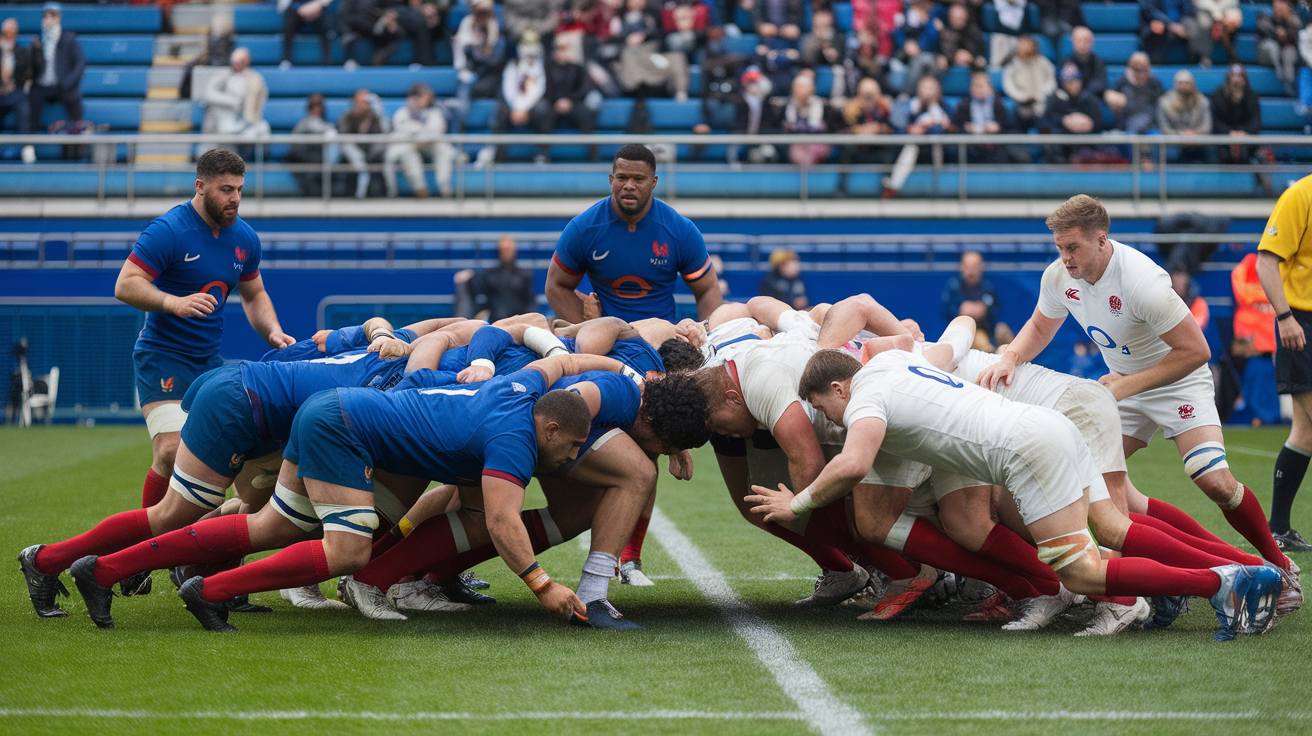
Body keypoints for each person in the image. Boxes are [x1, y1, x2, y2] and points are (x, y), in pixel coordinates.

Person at [755, 348, 1284, 642]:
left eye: (822, 406)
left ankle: (1224, 582)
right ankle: (1238, 574)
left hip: (1027, 450)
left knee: (1082, 571)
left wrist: (796, 505)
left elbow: (854, 462)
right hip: (1048, 428)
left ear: (840, 388)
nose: (828, 417)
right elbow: (943, 348)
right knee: (1114, 533)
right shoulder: (894, 363)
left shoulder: (866, 396)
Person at [976, 194, 1295, 575]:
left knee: (1214, 481)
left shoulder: (1142, 282)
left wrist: (1128, 386)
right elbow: (1041, 326)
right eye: (1060, 247)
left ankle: (1280, 566)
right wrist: (1010, 356)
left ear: (1101, 239)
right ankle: (1213, 569)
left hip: (1176, 380)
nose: (1065, 257)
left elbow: (1196, 352)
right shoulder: (1060, 276)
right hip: (1121, 385)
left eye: (1073, 247)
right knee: (1094, 484)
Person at [39, 150, 289, 603]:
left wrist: (272, 331)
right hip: (162, 359)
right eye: (225, 189)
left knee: (240, 472)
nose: (234, 198)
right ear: (201, 186)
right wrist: (175, 302)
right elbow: (126, 283)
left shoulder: (244, 238)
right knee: (172, 452)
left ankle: (197, 566)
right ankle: (139, 555)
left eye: (239, 189)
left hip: (208, 365)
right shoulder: (169, 230)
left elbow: (254, 293)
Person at [545, 144, 722, 323]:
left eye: (638, 179)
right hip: (606, 342)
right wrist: (585, 329)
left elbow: (707, 288)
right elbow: (556, 286)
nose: (629, 186)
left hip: (661, 342)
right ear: (611, 180)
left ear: (653, 183)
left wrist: (708, 336)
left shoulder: (680, 230)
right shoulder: (583, 228)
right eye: (622, 178)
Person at [1256, 174, 1312, 552]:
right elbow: (1266, 262)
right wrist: (1284, 316)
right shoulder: (1301, 194)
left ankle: (1277, 529)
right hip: (1303, 323)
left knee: (1305, 433)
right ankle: (1276, 529)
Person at [481, 29, 550, 165]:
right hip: (513, 107)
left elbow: (540, 89)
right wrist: (516, 108)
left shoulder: (544, 66)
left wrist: (524, 108)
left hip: (532, 107)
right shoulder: (512, 65)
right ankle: (499, 154)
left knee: (545, 110)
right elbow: (508, 89)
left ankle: (542, 153)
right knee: (499, 110)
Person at [384, 81, 453, 198]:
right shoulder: (402, 113)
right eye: (425, 96)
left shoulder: (435, 113)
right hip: (411, 145)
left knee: (444, 149)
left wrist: (419, 134)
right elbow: (403, 132)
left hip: (430, 145)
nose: (429, 98)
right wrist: (421, 132)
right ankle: (420, 188)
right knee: (405, 151)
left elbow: (436, 132)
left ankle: (445, 187)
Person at [200, 48, 270, 155]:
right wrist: (231, 102)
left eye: (241, 61)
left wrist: (250, 117)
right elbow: (208, 94)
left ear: (247, 61)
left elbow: (259, 103)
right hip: (223, 121)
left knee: (262, 131)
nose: (238, 65)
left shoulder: (255, 79)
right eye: (235, 62)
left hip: (245, 121)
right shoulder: (224, 75)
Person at [26, 2, 82, 136]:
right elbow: (32, 67)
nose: (48, 19)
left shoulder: (69, 38)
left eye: (52, 15)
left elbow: (80, 63)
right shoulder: (38, 40)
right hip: (41, 86)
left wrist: (68, 83)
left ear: (58, 17)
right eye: (46, 15)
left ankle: (74, 148)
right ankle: (29, 144)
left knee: (75, 100)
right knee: (30, 101)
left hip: (61, 85)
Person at [545, 33, 601, 162]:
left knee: (585, 114)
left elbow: (585, 87)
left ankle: (593, 152)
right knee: (544, 114)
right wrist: (557, 101)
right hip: (554, 103)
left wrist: (570, 100)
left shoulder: (578, 67)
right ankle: (544, 152)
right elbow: (545, 88)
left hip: (574, 102)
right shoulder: (548, 67)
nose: (563, 52)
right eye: (560, 48)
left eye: (566, 48)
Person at [462, 237, 538, 322]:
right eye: (503, 250)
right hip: (495, 321)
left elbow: (530, 301)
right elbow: (478, 293)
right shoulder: (489, 275)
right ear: (499, 251)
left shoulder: (524, 275)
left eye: (508, 249)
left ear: (514, 251)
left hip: (518, 321)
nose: (506, 253)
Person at [950, 71, 1016, 163]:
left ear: (989, 88)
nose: (977, 89)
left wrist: (997, 127)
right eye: (974, 86)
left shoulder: (999, 104)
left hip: (994, 144)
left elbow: (1008, 125)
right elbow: (955, 126)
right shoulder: (963, 105)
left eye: (981, 86)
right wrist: (966, 128)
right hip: (970, 145)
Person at [0, 17, 40, 163]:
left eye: (13, 32)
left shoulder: (21, 51)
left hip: (15, 91)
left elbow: (31, 72)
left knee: (23, 107)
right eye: (7, 32)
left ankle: (27, 147)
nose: (10, 34)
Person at [780, 73, 840, 166]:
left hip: (819, 147)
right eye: (799, 88)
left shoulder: (824, 108)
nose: (802, 92)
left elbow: (833, 129)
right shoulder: (785, 108)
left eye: (805, 88)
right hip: (794, 147)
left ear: (812, 90)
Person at [452, 0, 506, 105]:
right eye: (478, 11)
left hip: (490, 73)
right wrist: (475, 43)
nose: (481, 15)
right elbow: (462, 47)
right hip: (470, 70)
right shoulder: (468, 22)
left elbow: (495, 57)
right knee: (465, 82)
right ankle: (462, 119)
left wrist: (489, 38)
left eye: (484, 12)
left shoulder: (496, 25)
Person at [337, 88, 386, 199]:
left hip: (372, 155)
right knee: (348, 149)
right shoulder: (347, 116)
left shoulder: (374, 116)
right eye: (362, 102)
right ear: (355, 103)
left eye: (367, 103)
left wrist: (380, 113)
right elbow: (344, 136)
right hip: (351, 157)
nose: (365, 105)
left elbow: (385, 132)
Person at [941, 250, 1002, 338]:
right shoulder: (953, 287)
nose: (971, 271)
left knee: (1001, 330)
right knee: (979, 339)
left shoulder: (988, 287)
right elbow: (945, 310)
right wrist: (960, 310)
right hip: (960, 331)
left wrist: (985, 309)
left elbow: (996, 307)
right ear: (961, 267)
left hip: (986, 330)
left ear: (981, 266)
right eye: (968, 266)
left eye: (974, 266)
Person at [1157, 69, 1212, 163]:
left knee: (1211, 150)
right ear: (1175, 84)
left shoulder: (1203, 101)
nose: (1183, 87)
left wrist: (1193, 134)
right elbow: (1164, 129)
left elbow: (1207, 127)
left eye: (1187, 83)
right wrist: (1181, 135)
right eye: (1180, 83)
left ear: (1192, 84)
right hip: (1174, 143)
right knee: (1171, 152)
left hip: (1198, 142)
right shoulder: (1164, 102)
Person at [1209, 64, 1260, 165]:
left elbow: (1255, 123)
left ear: (1244, 79)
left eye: (1240, 76)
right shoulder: (1217, 95)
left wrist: (1242, 133)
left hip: (1246, 139)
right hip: (1222, 139)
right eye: (1233, 76)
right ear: (1228, 78)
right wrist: (1229, 133)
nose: (1236, 80)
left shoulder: (1252, 97)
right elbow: (1214, 122)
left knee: (1259, 152)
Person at [286, 93, 335, 197]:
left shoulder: (326, 125)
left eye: (320, 106)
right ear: (309, 108)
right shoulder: (303, 125)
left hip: (319, 164)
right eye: (314, 106)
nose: (317, 109)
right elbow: (293, 152)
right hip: (302, 163)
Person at [1003, 35, 1055, 126]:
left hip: (1042, 102)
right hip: (1021, 103)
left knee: (1046, 126)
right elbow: (1009, 86)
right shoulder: (1012, 65)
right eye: (1022, 45)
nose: (1025, 48)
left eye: (1028, 45)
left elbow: (1051, 81)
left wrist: (1042, 95)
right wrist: (1022, 97)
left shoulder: (1043, 63)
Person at [1104, 52, 1163, 134]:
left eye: (1144, 70)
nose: (1141, 74)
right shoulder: (1122, 83)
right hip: (1127, 127)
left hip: (1151, 125)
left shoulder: (1155, 84)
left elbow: (1158, 109)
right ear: (1130, 69)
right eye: (1137, 70)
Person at [1258, 0, 1303, 97]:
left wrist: (1289, 22)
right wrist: (1278, 34)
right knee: (1272, 46)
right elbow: (1265, 29)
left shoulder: (1292, 19)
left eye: (1283, 3)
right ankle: (1280, 74)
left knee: (1290, 51)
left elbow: (1296, 37)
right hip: (1267, 56)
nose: (1279, 6)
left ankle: (1289, 81)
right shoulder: (1264, 14)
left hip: (1285, 56)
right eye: (1277, 2)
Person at [1139, 0, 1199, 64]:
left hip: (1181, 24)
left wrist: (1181, 25)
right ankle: (1155, 64)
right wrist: (1170, 24)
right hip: (1157, 23)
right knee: (1157, 28)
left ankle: (1197, 62)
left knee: (1194, 26)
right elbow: (1150, 11)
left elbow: (1189, 10)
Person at [278, 0, 334, 68]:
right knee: (289, 18)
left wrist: (317, 5)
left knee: (326, 21)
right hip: (296, 9)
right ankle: (286, 60)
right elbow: (283, 5)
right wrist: (299, 8)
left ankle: (327, 63)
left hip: (317, 7)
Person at [936, 2, 985, 73]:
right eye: (954, 18)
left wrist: (971, 59)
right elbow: (940, 51)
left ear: (966, 17)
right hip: (948, 66)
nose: (957, 21)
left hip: (972, 69)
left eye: (960, 18)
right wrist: (951, 57)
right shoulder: (944, 32)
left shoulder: (974, 33)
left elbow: (981, 57)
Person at [1060, 26, 1107, 101]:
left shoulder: (1098, 61)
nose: (1082, 44)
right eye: (1079, 40)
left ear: (1092, 43)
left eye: (1086, 41)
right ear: (1073, 42)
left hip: (1090, 98)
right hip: (1068, 99)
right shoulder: (1066, 62)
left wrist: (1082, 92)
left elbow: (1101, 84)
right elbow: (1061, 84)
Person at [1193, 0, 1241, 65]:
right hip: (1205, 10)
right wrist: (1215, 11)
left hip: (1225, 9)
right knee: (1204, 22)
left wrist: (1220, 12)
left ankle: (1231, 54)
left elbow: (1232, 2)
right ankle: (1204, 56)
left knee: (1233, 19)